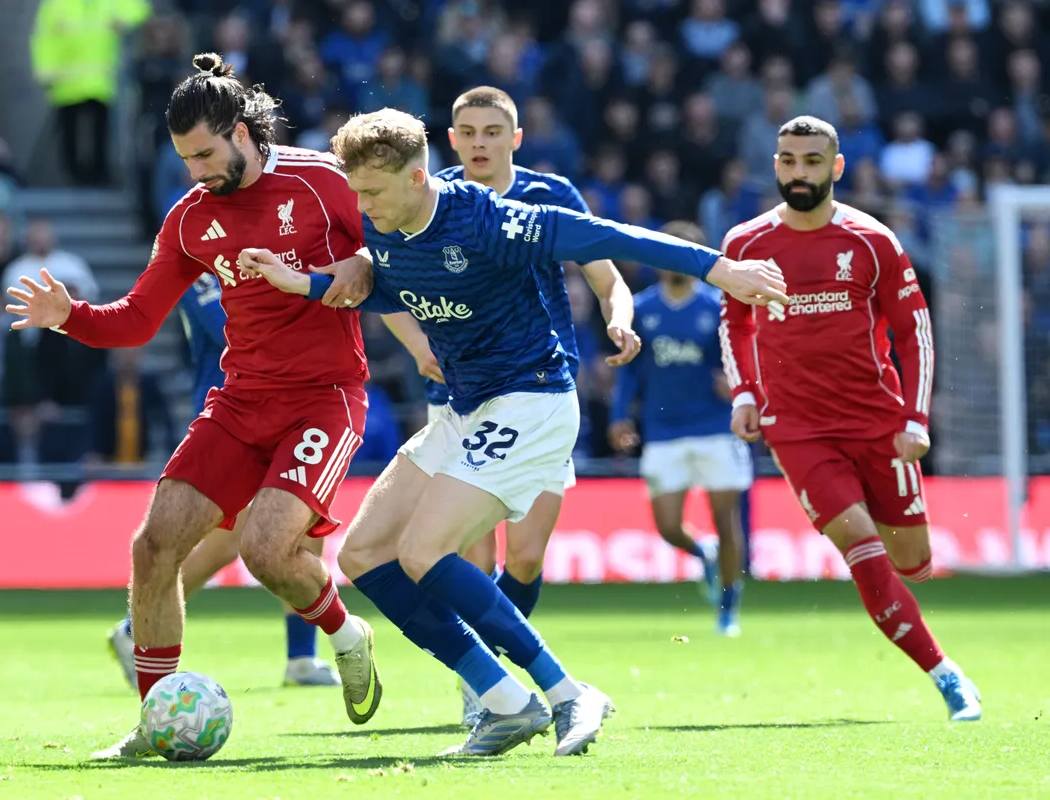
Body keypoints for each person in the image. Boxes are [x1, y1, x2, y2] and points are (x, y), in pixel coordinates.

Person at [240, 108, 787, 756]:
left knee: (428, 550)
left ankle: (565, 693)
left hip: (531, 400)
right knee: (363, 555)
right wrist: (302, 281)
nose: (362, 207)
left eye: (373, 193)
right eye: (357, 192)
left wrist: (723, 270)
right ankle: (504, 704)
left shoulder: (489, 219)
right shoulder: (382, 222)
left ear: (418, 178)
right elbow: (390, 289)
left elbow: (609, 237)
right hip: (466, 406)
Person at [6, 54, 383, 759]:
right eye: (184, 159)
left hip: (322, 400)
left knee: (266, 551)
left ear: (243, 133)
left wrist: (350, 271)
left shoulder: (324, 181)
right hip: (239, 402)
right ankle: (156, 725)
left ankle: (346, 634)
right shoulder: (189, 219)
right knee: (152, 548)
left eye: (206, 154)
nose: (195, 171)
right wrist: (69, 316)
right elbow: (137, 319)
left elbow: (386, 255)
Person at [380, 86, 642, 726]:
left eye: (492, 131)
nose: (479, 142)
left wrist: (621, 319)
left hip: (536, 394)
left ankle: (510, 687)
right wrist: (419, 347)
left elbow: (606, 275)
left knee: (525, 555)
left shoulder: (548, 195)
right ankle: (493, 693)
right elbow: (379, 280)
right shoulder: (429, 196)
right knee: (468, 553)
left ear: (515, 138)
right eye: (467, 131)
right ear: (451, 137)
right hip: (458, 398)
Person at [720, 115, 981, 722]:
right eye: (788, 161)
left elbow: (913, 332)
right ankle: (947, 676)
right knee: (860, 545)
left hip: (877, 421)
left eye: (812, 162)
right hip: (798, 427)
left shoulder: (872, 241)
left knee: (912, 560)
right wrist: (745, 393)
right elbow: (734, 321)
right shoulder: (745, 245)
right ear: (776, 165)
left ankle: (899, 594)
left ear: (835, 168)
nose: (799, 173)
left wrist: (915, 416)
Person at [105, 270, 340, 690]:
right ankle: (132, 628)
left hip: (286, 398)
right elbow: (226, 325)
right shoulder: (201, 254)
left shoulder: (269, 235)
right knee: (235, 539)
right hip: (230, 409)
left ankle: (302, 657)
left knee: (304, 520)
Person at [609, 220, 751, 637]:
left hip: (715, 427)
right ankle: (701, 553)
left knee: (726, 519)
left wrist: (736, 385)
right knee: (668, 526)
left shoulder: (716, 306)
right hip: (663, 429)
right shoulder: (643, 308)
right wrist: (621, 415)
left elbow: (740, 358)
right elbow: (629, 372)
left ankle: (728, 607)